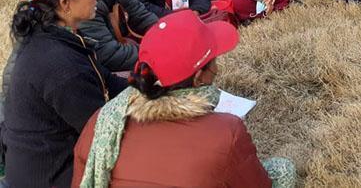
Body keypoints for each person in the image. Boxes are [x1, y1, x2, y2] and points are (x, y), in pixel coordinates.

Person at [72, 10, 296, 188]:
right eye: (214, 61)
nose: (217, 68)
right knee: (283, 170)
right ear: (198, 78)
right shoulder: (226, 131)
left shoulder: (103, 120)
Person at [2, 0, 127, 187]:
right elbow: (105, 134)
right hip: (56, 178)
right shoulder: (60, 66)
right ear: (65, 3)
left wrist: (151, 86)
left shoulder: (55, 36)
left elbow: (109, 82)